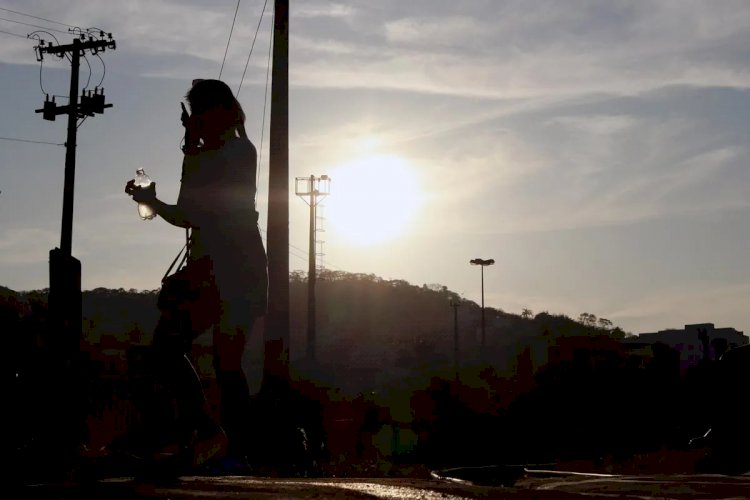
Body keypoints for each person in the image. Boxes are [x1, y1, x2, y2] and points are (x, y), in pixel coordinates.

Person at [125, 79, 268, 471]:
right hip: (227, 268)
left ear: (215, 113)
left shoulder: (232, 153)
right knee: (209, 358)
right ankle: (221, 441)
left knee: (207, 356)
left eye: (199, 114)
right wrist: (153, 199)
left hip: (229, 269)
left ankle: (220, 440)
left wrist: (186, 157)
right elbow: (189, 212)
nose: (196, 122)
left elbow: (190, 213)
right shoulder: (232, 151)